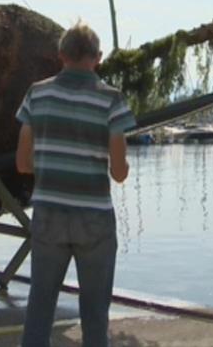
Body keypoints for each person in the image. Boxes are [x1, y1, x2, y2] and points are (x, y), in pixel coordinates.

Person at [17, 22, 135, 347]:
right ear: (97, 58)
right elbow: (119, 172)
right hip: (95, 219)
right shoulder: (112, 100)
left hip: (48, 214)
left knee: (40, 306)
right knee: (95, 314)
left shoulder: (36, 94)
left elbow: (22, 163)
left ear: (61, 56)